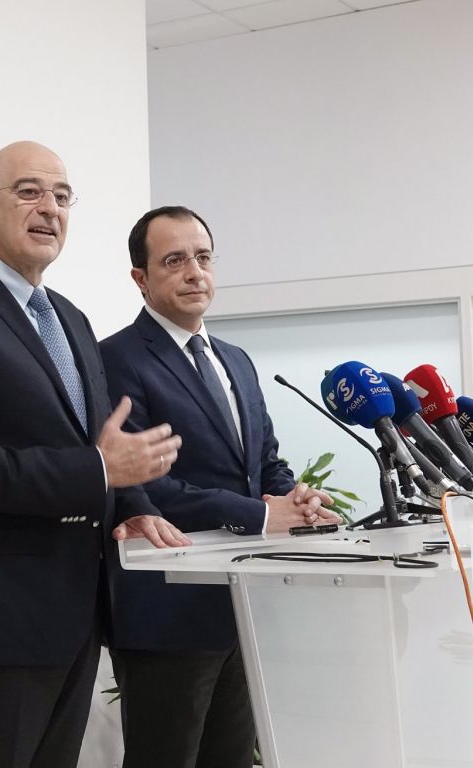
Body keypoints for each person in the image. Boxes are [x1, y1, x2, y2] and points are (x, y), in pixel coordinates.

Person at [0, 142, 190, 768]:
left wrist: (129, 503)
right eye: (29, 191)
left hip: (74, 618)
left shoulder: (71, 319)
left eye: (62, 196)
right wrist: (100, 470)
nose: (49, 208)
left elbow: (94, 443)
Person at [100, 205, 339, 768]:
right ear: (140, 278)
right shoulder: (114, 359)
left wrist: (295, 499)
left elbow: (266, 464)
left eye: (203, 258)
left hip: (246, 606)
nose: (194, 273)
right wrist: (261, 517)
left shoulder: (236, 360)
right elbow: (145, 486)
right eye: (174, 261)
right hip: (167, 609)